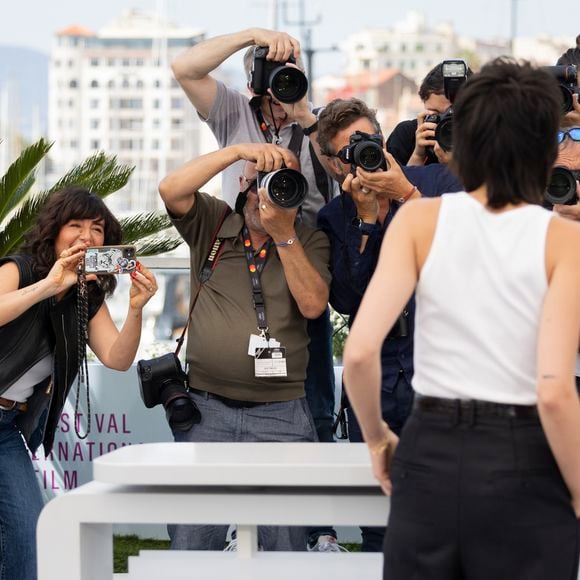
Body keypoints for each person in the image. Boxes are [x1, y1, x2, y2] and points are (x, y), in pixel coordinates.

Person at [343, 59, 580, 580]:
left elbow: (358, 353)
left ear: (465, 143)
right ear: (545, 148)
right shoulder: (564, 241)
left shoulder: (419, 219)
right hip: (525, 461)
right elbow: (556, 391)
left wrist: (379, 439)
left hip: (430, 449)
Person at [172, 28, 339, 550]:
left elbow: (339, 165)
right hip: (242, 250)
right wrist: (253, 37)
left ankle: (317, 530)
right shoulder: (233, 119)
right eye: (276, 78)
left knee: (310, 405)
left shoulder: (312, 124)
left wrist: (305, 113)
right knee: (196, 531)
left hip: (298, 254)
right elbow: (186, 68)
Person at [158, 142, 331, 552]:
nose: (266, 194)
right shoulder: (214, 224)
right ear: (243, 183)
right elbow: (170, 189)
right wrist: (239, 150)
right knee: (193, 538)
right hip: (206, 410)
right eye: (259, 183)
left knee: (283, 544)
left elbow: (312, 304)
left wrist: (284, 235)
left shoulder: (309, 240)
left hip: (282, 413)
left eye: (281, 184)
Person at [316, 97, 462, 552]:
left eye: (371, 142)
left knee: (447, 509)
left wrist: (403, 194)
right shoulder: (334, 218)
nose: (366, 154)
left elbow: (461, 262)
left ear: (384, 138)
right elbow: (349, 299)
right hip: (376, 381)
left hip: (436, 371)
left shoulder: (437, 182)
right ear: (334, 164)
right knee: (377, 515)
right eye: (350, 151)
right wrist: (365, 222)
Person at [0, 186, 157, 580]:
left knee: (27, 533)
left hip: (6, 430)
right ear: (54, 232)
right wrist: (50, 285)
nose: (87, 236)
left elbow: (117, 358)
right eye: (75, 225)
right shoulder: (20, 269)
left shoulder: (86, 298)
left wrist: (136, 309)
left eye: (98, 228)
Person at [386, 62, 452, 166]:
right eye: (435, 115)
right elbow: (394, 182)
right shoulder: (406, 135)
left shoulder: (483, 141)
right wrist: (418, 155)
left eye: (452, 115)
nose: (445, 124)